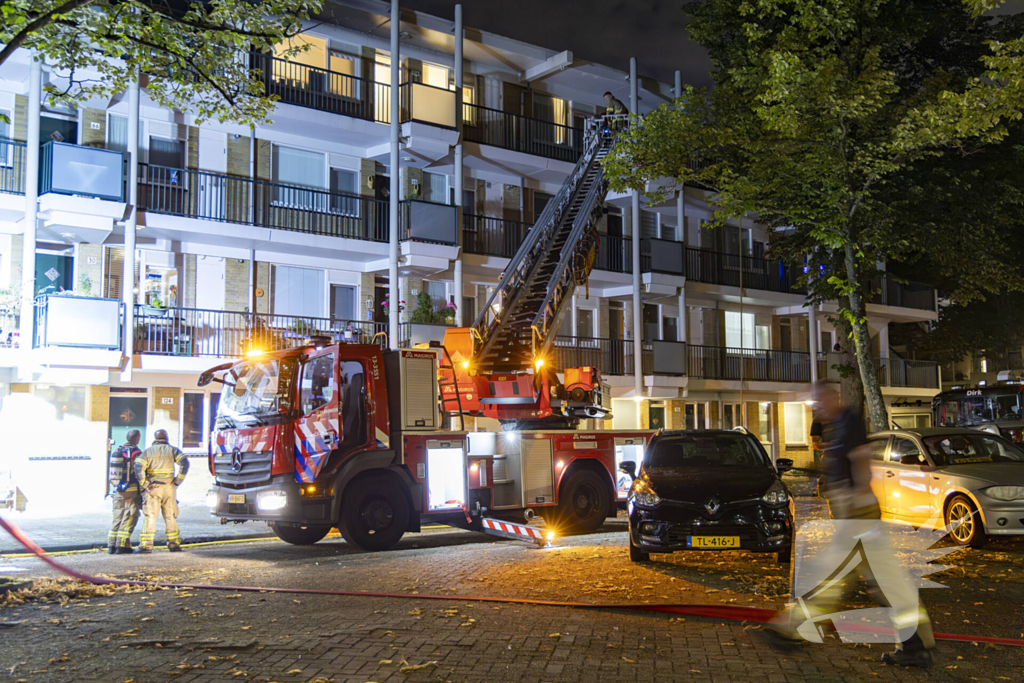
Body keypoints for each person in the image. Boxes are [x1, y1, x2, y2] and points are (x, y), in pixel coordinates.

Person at [763, 382, 935, 667]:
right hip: (856, 511)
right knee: (886, 579)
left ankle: (792, 632)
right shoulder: (837, 426)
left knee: (829, 572)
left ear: (833, 398)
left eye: (820, 401)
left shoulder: (849, 421)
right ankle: (915, 645)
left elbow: (861, 458)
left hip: (857, 512)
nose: (818, 408)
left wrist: (858, 500)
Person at [135, 429, 190, 553]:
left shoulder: (148, 452)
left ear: (155, 438)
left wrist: (144, 484)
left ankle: (146, 545)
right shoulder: (173, 450)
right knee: (170, 516)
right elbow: (185, 463)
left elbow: (138, 468)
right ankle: (174, 544)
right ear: (166, 438)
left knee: (151, 516)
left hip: (153, 488)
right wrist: (178, 480)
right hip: (169, 487)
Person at [107, 429, 142, 554]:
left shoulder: (117, 451)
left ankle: (111, 546)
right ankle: (121, 546)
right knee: (129, 517)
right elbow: (140, 473)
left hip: (118, 490)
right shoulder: (137, 453)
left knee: (117, 517)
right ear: (136, 438)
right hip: (131, 490)